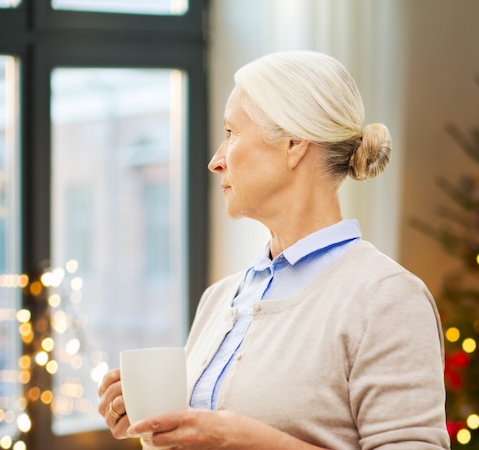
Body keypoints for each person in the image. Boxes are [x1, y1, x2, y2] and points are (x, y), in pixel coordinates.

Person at [98, 50, 450, 450]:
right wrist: (159, 423)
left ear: (294, 143)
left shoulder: (386, 299)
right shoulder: (220, 300)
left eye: (231, 133)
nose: (216, 161)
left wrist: (245, 439)